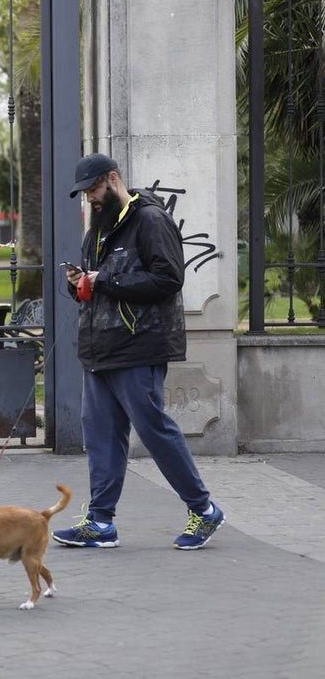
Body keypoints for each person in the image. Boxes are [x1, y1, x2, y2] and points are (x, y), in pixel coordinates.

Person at [52, 153, 225, 550]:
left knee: (154, 432)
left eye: (94, 189)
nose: (90, 199)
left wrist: (104, 280)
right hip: (100, 349)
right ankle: (100, 522)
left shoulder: (150, 220)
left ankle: (204, 509)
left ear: (113, 179)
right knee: (101, 436)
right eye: (85, 194)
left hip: (139, 346)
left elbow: (168, 279)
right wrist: (76, 282)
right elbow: (93, 282)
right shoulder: (97, 228)